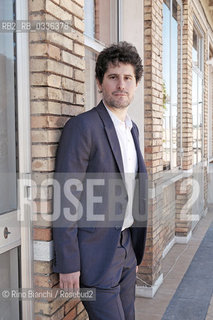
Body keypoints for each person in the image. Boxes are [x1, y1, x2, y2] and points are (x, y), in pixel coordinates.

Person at [53, 41, 148, 320]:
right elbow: (65, 198)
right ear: (99, 82)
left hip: (126, 250)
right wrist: (68, 263)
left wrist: (132, 253)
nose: (121, 84)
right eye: (113, 77)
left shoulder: (132, 129)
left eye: (127, 77)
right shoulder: (83, 127)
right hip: (95, 255)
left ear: (136, 84)